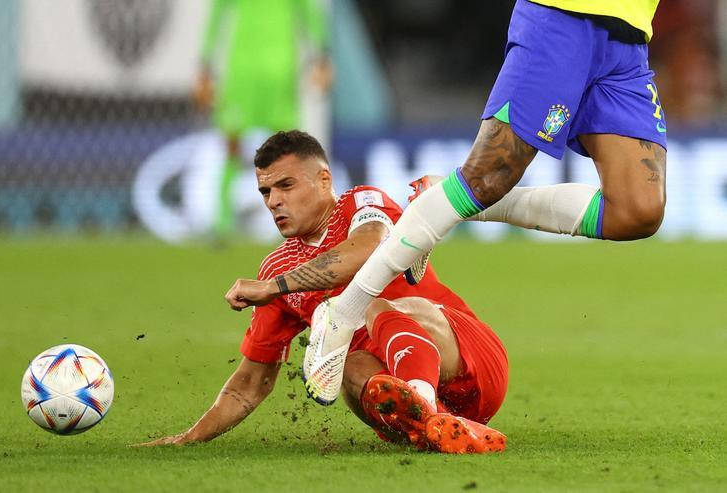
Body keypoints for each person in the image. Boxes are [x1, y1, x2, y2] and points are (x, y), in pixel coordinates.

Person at [303, 0, 669, 404]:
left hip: (628, 35)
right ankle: (343, 313)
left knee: (637, 210)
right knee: (488, 174)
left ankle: (445, 196)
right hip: (564, 17)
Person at [138, 130, 507, 454]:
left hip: (469, 359)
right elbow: (251, 383)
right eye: (265, 191)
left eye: (285, 186)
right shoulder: (277, 268)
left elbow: (367, 249)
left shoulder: (361, 203)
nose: (273, 201)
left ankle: (425, 407)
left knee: (376, 307)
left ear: (323, 179)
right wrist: (190, 438)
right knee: (349, 367)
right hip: (412, 392)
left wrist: (274, 287)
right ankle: (441, 426)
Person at [195, 0, 331, 240]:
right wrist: (205, 66)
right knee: (234, 146)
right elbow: (218, 13)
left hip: (273, 71)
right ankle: (223, 222)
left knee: (287, 150)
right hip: (248, 70)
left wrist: (322, 57)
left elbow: (309, 13)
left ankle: (291, 224)